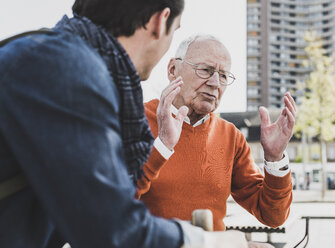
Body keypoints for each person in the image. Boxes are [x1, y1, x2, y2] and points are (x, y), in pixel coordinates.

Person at [0, 2, 251, 248]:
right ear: (159, 21)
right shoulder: (66, 69)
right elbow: (108, 228)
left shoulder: (52, 55)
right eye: (174, 30)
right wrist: (213, 243)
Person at [137, 35, 296, 232]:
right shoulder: (133, 122)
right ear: (172, 70)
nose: (215, 83)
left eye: (223, 75)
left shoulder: (231, 136)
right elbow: (110, 203)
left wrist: (275, 158)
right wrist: (161, 146)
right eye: (205, 70)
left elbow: (274, 216)